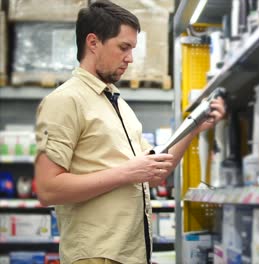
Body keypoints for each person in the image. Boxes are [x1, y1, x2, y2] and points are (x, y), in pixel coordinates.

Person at [34, 1, 225, 264]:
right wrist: (128, 172)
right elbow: (47, 189)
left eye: (132, 49)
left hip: (131, 255)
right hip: (96, 257)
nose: (130, 58)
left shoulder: (119, 105)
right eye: (123, 47)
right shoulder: (66, 101)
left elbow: (153, 175)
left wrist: (194, 127)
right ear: (93, 42)